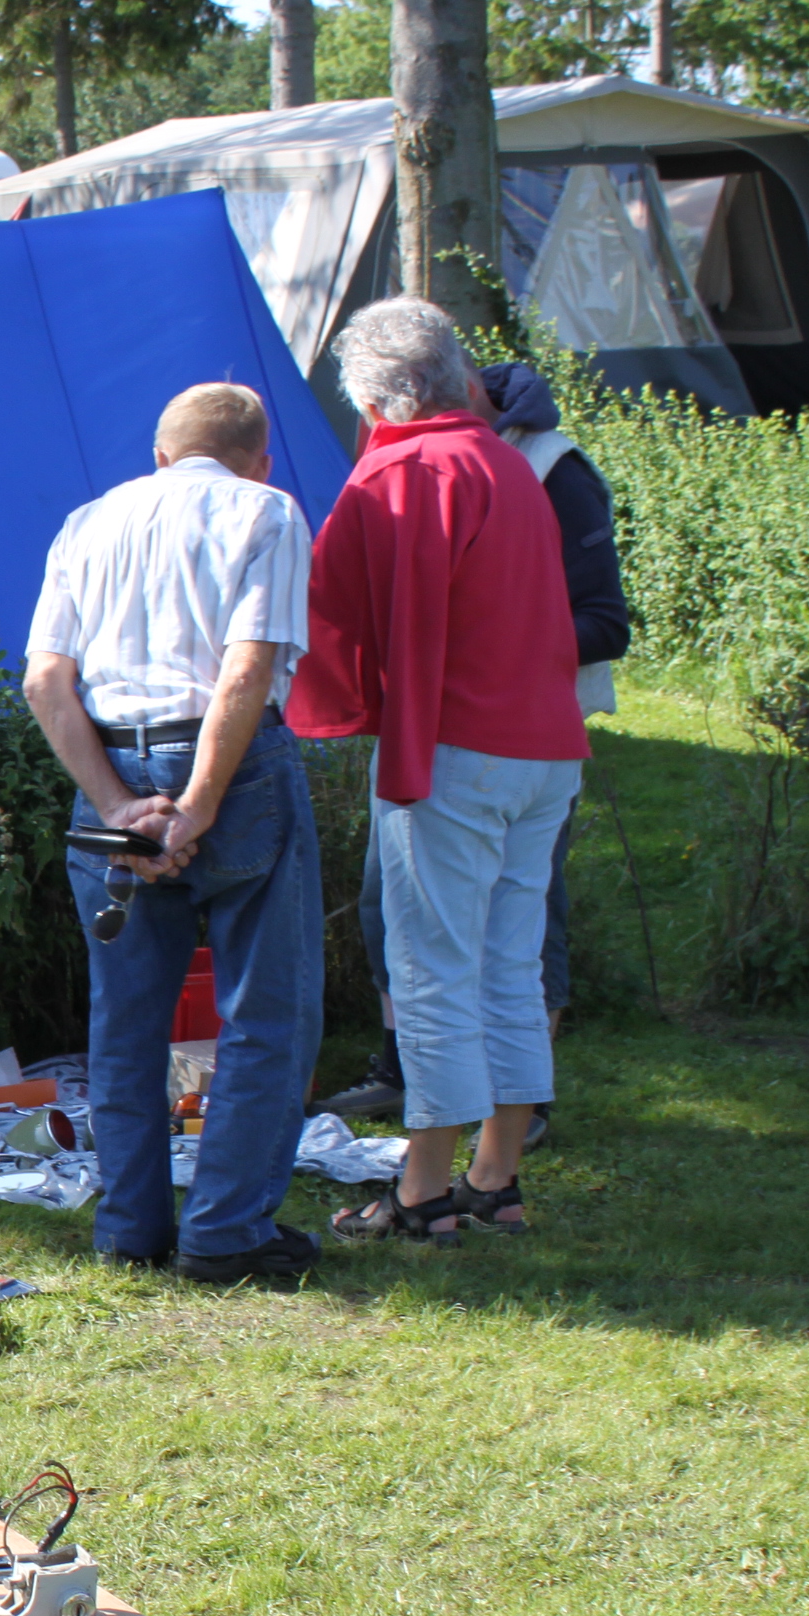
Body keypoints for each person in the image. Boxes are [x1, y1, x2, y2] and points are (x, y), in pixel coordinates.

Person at [288, 299, 588, 1246]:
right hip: (545, 743)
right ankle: (495, 1177)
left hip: (458, 746)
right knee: (510, 965)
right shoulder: (508, 460)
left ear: (381, 399)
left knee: (432, 970)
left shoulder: (407, 469)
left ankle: (421, 1192)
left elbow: (333, 605)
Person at [24, 380, 326, 1288]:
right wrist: (195, 804)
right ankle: (226, 1231)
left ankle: (130, 1228)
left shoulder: (88, 523)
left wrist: (119, 805)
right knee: (267, 1012)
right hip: (233, 767)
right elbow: (246, 669)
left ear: (160, 456)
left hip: (110, 764)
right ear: (259, 461)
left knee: (125, 1019)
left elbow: (44, 682)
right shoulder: (266, 512)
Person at [319, 357, 630, 1138]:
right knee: (399, 916)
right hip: (446, 729)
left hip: (510, 732)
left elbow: (605, 621)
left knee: (502, 944)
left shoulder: (547, 466)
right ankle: (423, 1090)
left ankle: (497, 1130)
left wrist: (489, 641)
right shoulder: (437, 458)